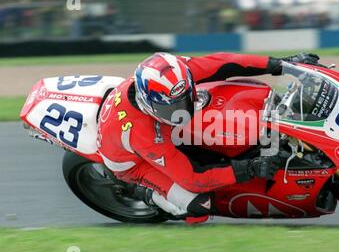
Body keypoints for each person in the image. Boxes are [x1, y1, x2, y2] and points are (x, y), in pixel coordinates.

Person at [97, 52, 321, 221]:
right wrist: (249, 168)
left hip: (160, 129)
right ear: (149, 105)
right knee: (198, 205)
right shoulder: (141, 132)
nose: (182, 109)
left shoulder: (178, 72)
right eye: (173, 106)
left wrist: (281, 64)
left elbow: (226, 62)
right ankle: (142, 191)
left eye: (185, 98)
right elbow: (192, 179)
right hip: (133, 163)